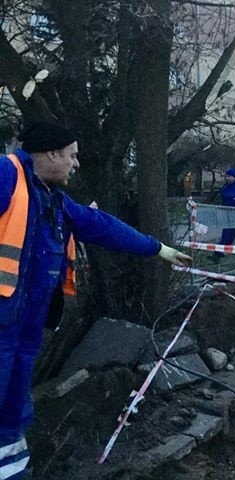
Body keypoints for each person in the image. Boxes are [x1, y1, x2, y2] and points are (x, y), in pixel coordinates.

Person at [0, 122, 191, 479]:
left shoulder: (53, 199)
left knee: (12, 411)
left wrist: (158, 249)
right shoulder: (6, 175)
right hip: (4, 324)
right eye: (71, 155)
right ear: (52, 153)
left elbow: (102, 225)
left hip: (24, 327)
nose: (76, 163)